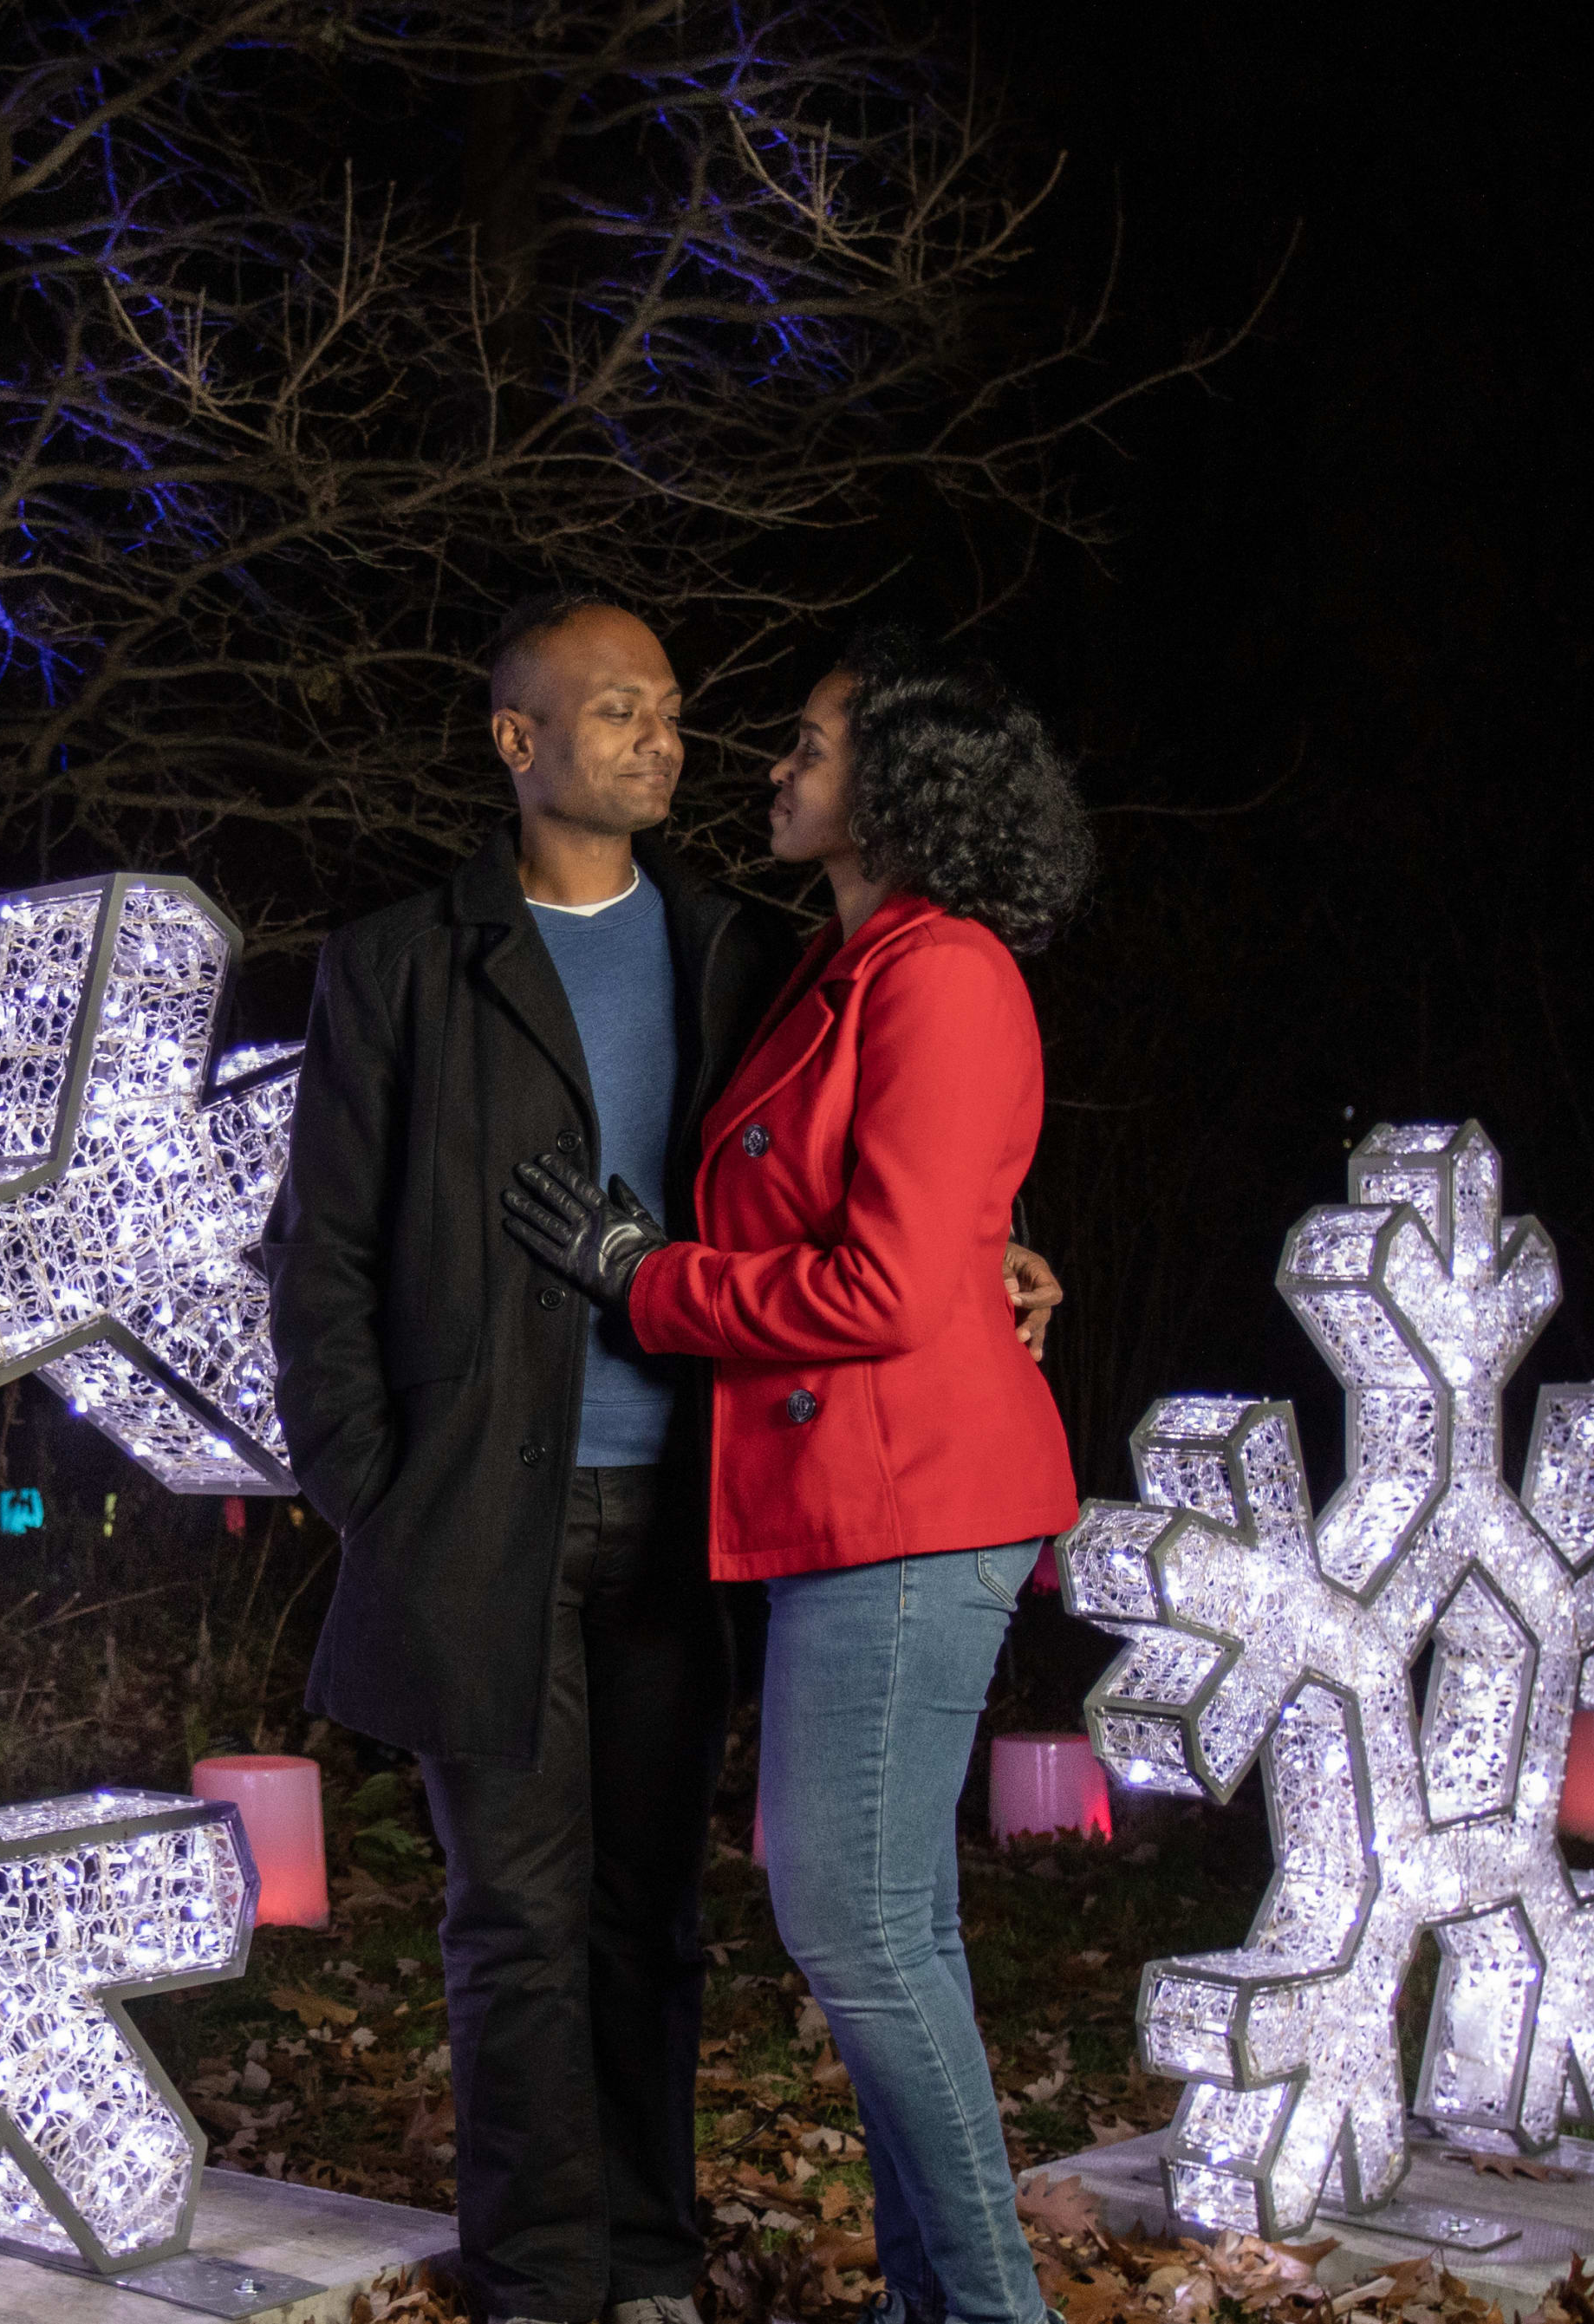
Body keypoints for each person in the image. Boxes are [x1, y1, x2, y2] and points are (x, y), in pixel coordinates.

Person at [263, 597, 1059, 2324]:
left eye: (680, 715)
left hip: (698, 1510)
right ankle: (546, 2277)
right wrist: (374, 1492)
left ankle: (650, 2261)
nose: (668, 741)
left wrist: (987, 1250)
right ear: (517, 738)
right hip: (484, 1515)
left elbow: (875, 1180)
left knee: (656, 1915)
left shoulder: (738, 954)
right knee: (515, 1921)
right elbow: (319, 1255)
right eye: (619, 709)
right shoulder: (404, 961)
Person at [501, 628, 1093, 2324]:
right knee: (889, 1929)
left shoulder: (941, 972)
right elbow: (925, 1221)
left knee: (847, 1923)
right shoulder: (843, 970)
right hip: (859, 1507)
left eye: (815, 747)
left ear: (895, 788)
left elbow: (889, 1287)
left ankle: (986, 2312)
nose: (778, 768)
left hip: (915, 1507)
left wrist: (643, 1276)